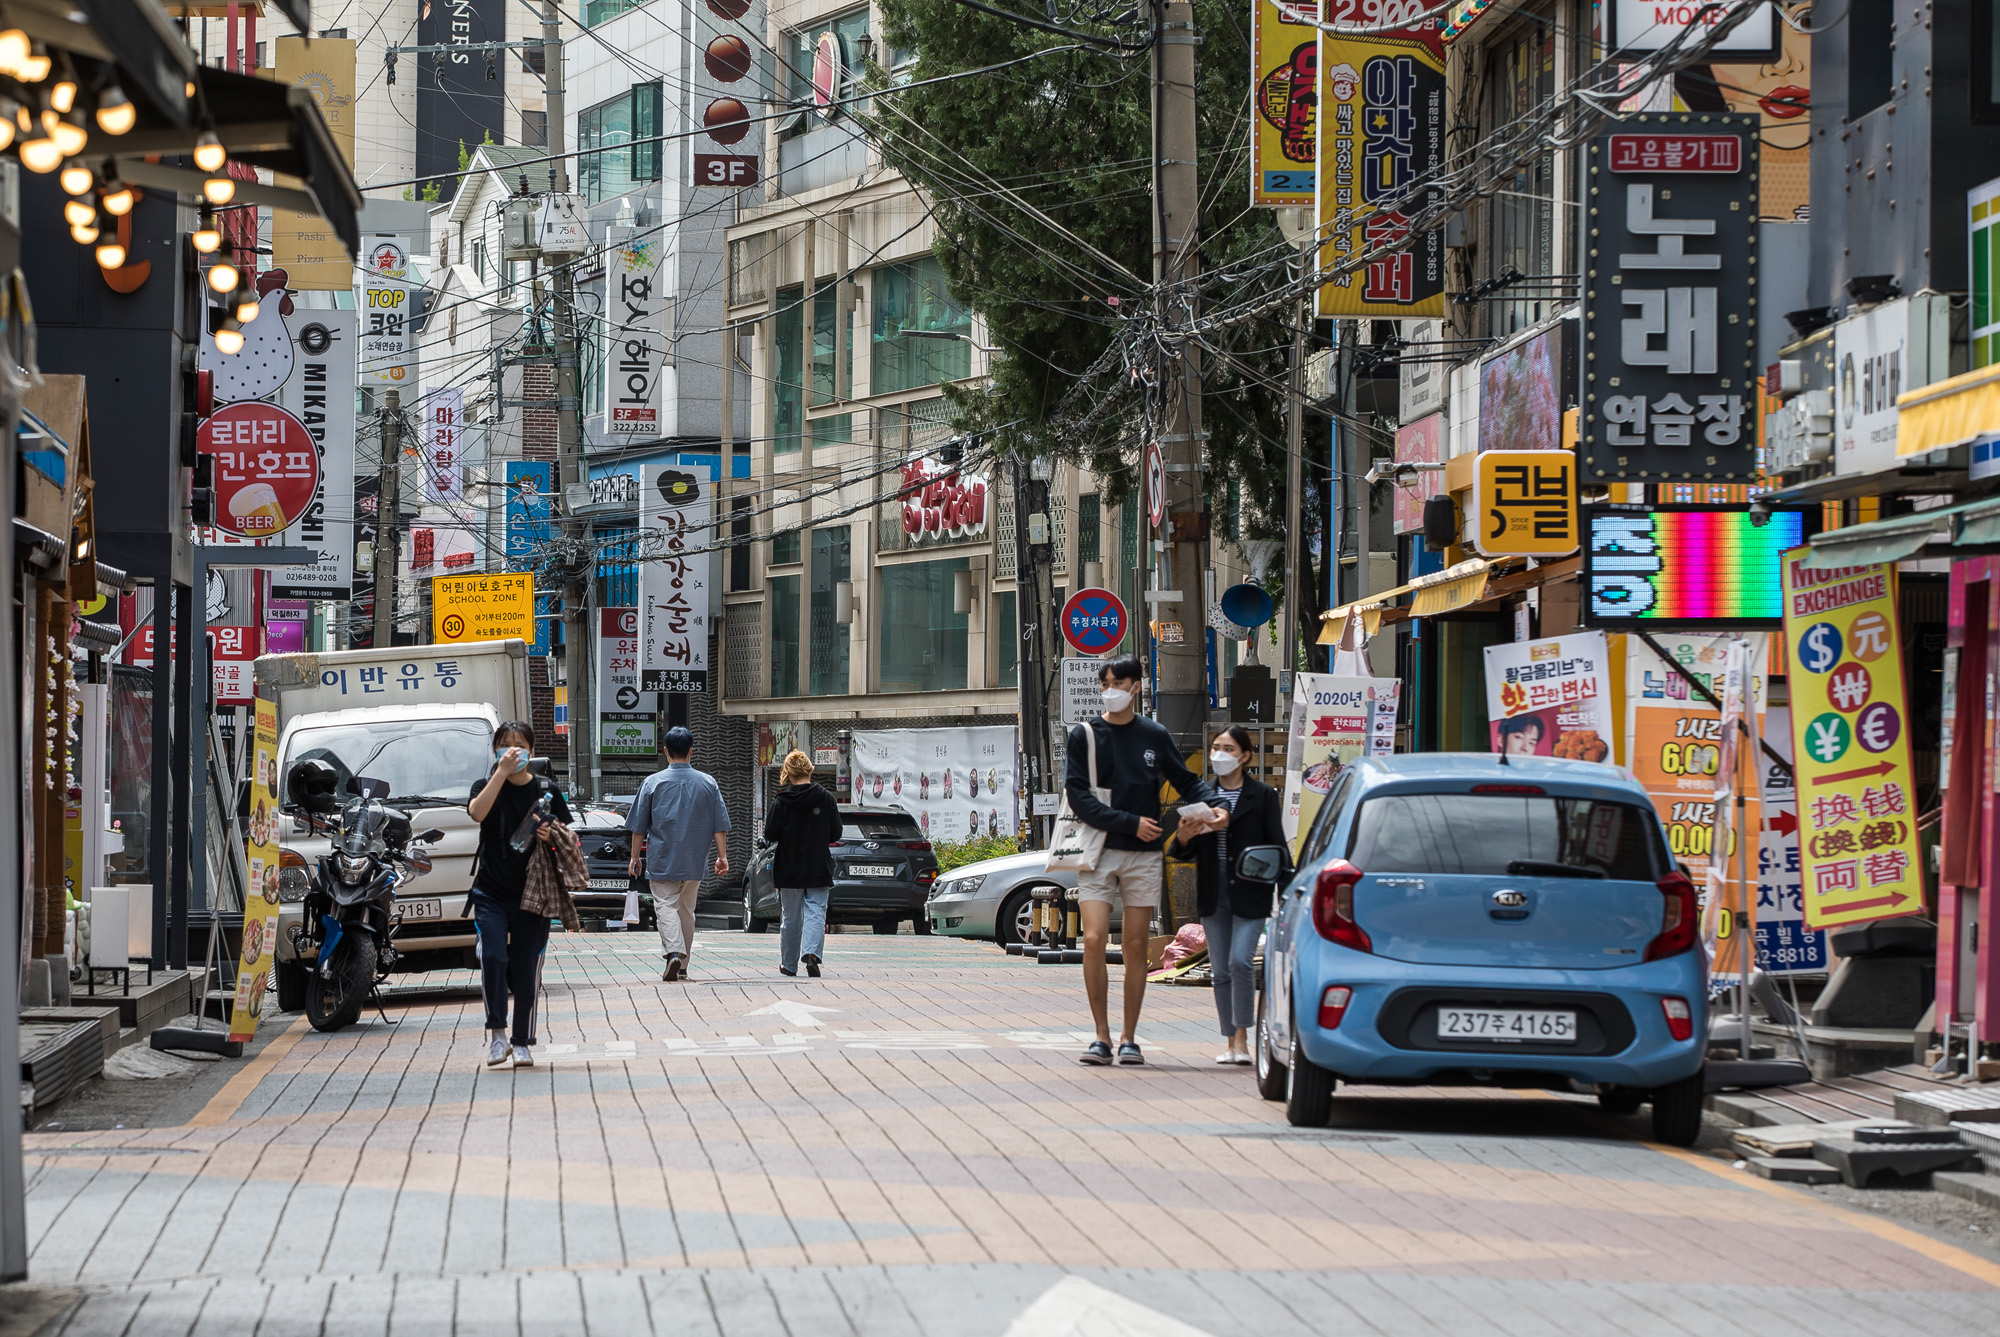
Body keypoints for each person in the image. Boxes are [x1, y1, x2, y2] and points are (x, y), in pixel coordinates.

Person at [1064, 656, 1208, 1067]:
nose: (1111, 688)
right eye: (1105, 682)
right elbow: (1079, 796)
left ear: (1136, 687)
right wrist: (1130, 822)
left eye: (1119, 682)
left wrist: (1217, 802)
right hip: (1097, 850)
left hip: (1143, 857)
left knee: (1136, 945)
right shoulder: (1086, 735)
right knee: (1092, 939)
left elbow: (1185, 781)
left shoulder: (1154, 735)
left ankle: (1129, 1037)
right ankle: (1101, 1036)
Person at [1176, 725, 1287, 1065]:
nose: (1219, 754)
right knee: (1221, 968)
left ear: (1245, 756)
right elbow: (1181, 851)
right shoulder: (1203, 795)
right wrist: (1183, 835)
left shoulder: (1262, 795)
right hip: (1214, 888)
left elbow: (1278, 845)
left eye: (1227, 748)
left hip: (1251, 887)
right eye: (1216, 747)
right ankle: (1230, 1042)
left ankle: (1243, 1038)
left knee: (1241, 960)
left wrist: (1286, 892)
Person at [466, 720, 572, 1069]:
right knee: (494, 957)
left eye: (519, 745)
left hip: (535, 893)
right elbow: (476, 813)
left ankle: (522, 1042)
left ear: (532, 749)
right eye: (505, 745)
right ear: (496, 750)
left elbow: (568, 841)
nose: (512, 751)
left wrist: (550, 837)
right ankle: (497, 1036)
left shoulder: (547, 790)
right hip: (490, 892)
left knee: (527, 968)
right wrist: (500, 773)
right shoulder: (485, 786)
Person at [626, 726, 731, 981]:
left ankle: (673, 951)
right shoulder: (708, 783)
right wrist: (722, 856)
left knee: (665, 905)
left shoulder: (653, 783)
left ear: (665, 752)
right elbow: (719, 825)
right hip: (694, 859)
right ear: (691, 751)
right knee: (686, 909)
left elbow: (638, 825)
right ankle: (683, 966)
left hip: (663, 857)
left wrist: (634, 857)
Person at [762, 750, 838, 978]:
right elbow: (836, 832)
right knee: (816, 912)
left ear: (787, 772)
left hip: (789, 867)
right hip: (818, 866)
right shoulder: (826, 798)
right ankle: (812, 956)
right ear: (809, 769)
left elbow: (770, 833)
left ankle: (789, 965)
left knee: (791, 917)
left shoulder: (781, 801)